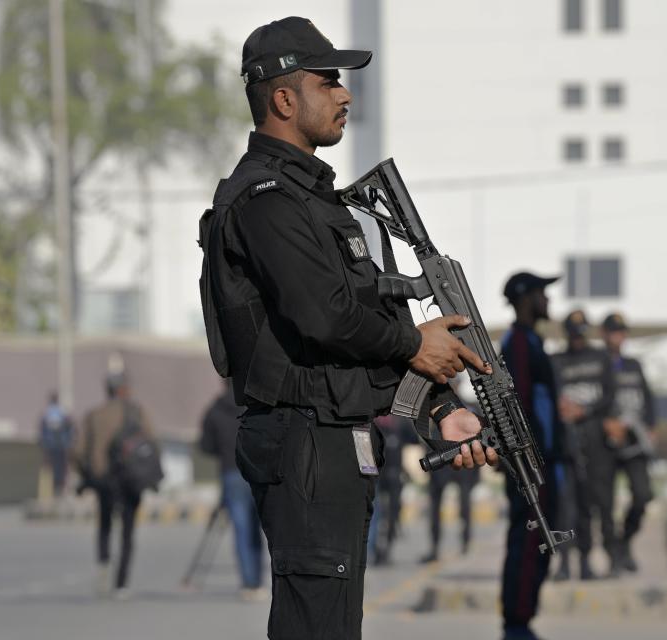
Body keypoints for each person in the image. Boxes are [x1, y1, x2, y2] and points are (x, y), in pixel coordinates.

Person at [199, 17, 497, 639]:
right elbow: (325, 317)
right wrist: (418, 343)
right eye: (329, 80)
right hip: (304, 440)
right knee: (318, 626)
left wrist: (439, 409)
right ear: (284, 98)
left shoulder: (319, 202)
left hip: (334, 439)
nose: (344, 94)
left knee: (334, 625)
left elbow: (359, 326)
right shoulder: (266, 201)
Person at [497, 272, 566, 640]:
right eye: (543, 293)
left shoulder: (532, 341)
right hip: (531, 467)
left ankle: (522, 621)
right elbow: (517, 404)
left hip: (544, 465)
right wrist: (528, 462)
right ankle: (517, 625)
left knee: (539, 546)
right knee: (527, 544)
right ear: (526, 298)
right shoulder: (519, 343)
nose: (548, 301)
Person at [72, 371, 158, 599]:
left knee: (104, 525)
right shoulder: (137, 412)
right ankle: (121, 584)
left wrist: (88, 474)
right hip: (131, 478)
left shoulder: (94, 415)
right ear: (123, 390)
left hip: (104, 480)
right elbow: (152, 444)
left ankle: (103, 565)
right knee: (128, 532)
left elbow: (78, 451)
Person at [552, 309, 618, 580]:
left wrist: (585, 410)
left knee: (591, 505)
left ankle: (587, 561)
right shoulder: (555, 360)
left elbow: (610, 396)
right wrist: (561, 408)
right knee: (564, 506)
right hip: (564, 444)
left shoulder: (600, 357)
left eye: (581, 335)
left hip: (596, 445)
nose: (578, 339)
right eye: (573, 335)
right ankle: (564, 562)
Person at [601, 312, 655, 573]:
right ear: (604, 334)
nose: (618, 337)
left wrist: (652, 427)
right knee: (605, 504)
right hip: (605, 444)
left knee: (643, 495)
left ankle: (625, 542)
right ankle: (613, 557)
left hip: (634, 442)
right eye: (614, 332)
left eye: (622, 332)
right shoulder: (597, 362)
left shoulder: (633, 365)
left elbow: (648, 396)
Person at [199, 380, 264, 598]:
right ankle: (258, 580)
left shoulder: (215, 409)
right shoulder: (256, 405)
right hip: (256, 472)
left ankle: (248, 583)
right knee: (258, 528)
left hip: (231, 472)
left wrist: (224, 450)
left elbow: (205, 446)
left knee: (241, 529)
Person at [367, 413, 413, 566]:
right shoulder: (374, 421)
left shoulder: (400, 422)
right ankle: (373, 550)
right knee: (374, 513)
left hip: (394, 474)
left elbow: (413, 438)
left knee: (393, 514)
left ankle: (387, 549)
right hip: (377, 475)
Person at [38, 391, 74, 497]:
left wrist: (44, 444)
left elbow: (42, 431)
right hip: (61, 445)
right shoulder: (62, 413)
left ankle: (55, 489)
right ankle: (59, 489)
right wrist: (68, 442)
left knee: (52, 468)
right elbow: (70, 428)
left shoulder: (46, 413)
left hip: (51, 446)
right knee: (61, 468)